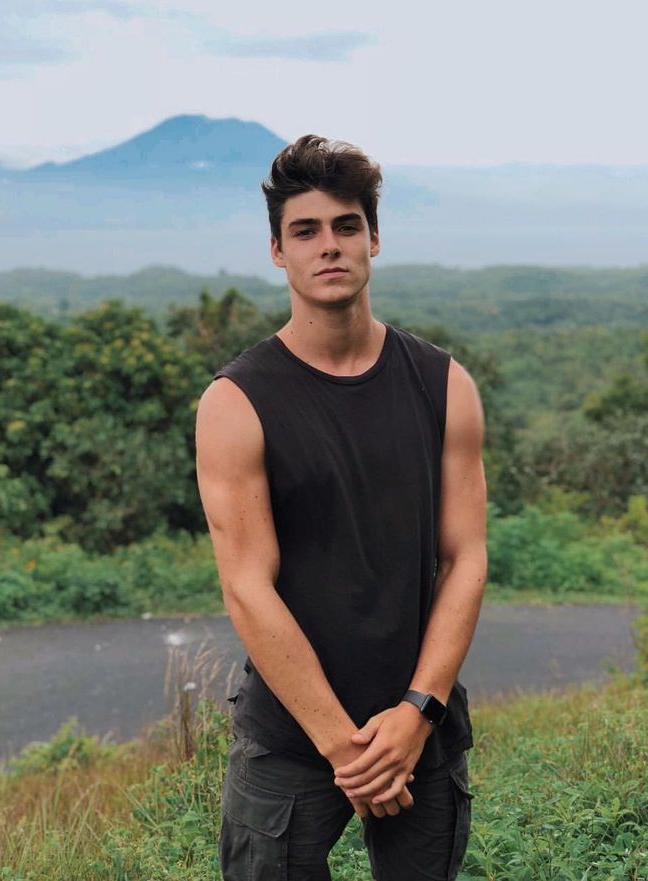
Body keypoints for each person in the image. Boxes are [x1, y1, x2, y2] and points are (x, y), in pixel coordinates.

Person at [195, 134, 487, 881]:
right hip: (292, 739)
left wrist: (418, 711)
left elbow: (465, 557)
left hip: (419, 727)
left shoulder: (443, 385)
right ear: (277, 251)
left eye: (346, 225)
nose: (329, 246)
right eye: (306, 230)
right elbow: (246, 585)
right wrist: (344, 748)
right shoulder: (236, 403)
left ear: (374, 238)